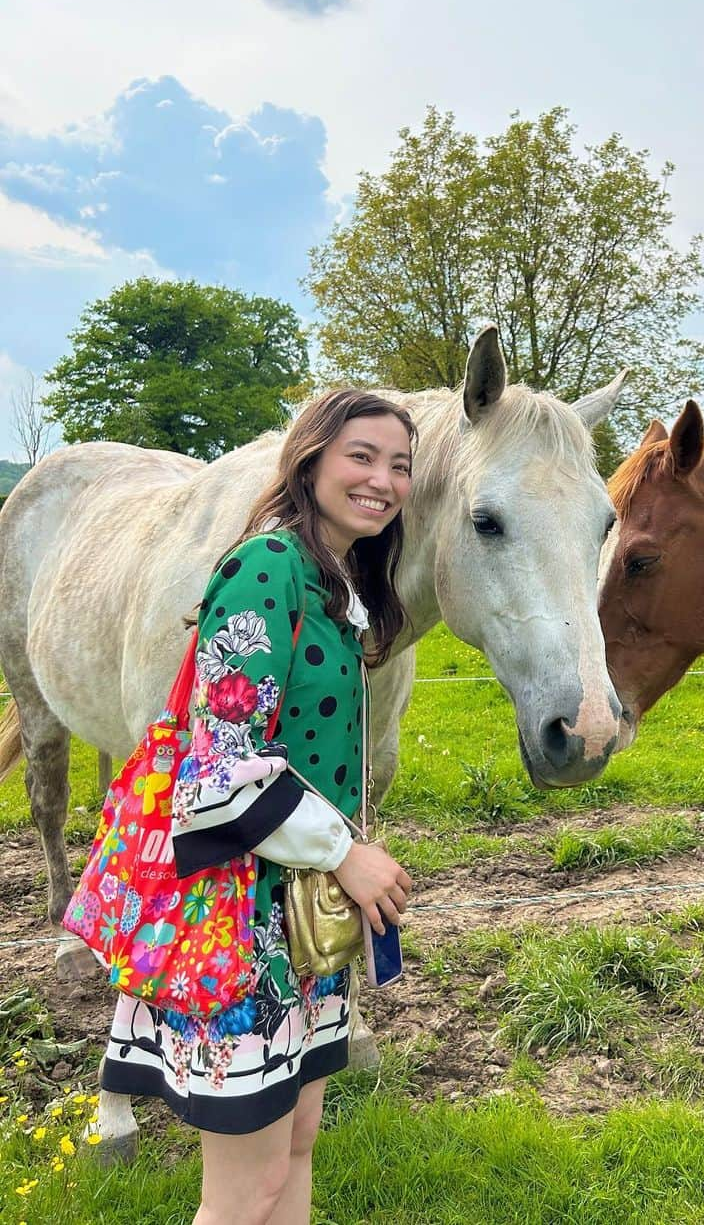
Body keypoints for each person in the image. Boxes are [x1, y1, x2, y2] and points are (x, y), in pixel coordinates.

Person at [99, 390, 417, 1225]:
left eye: (401, 465)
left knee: (299, 1141)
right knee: (245, 1191)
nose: (382, 480)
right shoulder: (265, 567)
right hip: (240, 928)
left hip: (300, 919)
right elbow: (219, 764)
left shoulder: (335, 583)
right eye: (362, 456)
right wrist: (346, 854)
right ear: (309, 458)